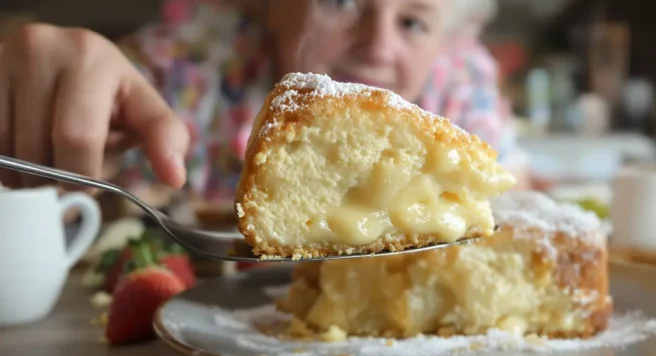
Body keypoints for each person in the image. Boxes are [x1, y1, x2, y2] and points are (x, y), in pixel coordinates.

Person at [0, 0, 527, 203]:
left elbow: (509, 199)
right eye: (339, 3)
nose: (379, 45)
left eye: (413, 21)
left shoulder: (460, 83)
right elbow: (103, 94)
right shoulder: (189, 62)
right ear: (272, 8)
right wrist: (55, 94)